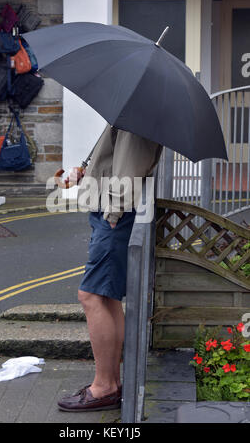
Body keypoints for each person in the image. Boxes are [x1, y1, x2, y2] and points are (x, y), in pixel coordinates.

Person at [57, 124, 162, 412]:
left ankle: (104, 387)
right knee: (107, 296)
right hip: (111, 210)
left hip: (115, 215)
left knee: (90, 296)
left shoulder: (137, 115)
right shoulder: (129, 109)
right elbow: (113, 159)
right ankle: (112, 384)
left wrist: (114, 212)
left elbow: (129, 166)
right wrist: (86, 175)